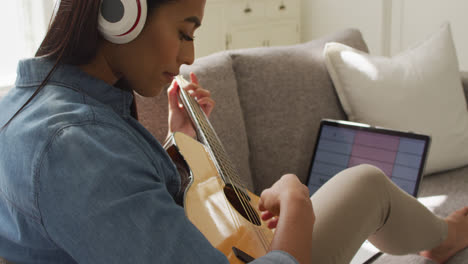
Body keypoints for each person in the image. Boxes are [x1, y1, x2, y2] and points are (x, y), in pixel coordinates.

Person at [0, 0, 466, 263]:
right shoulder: (72, 147)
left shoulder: (30, 106)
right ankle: (439, 237)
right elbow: (100, 181)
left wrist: (177, 141)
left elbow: (125, 208)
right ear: (121, 13)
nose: (189, 56)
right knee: (366, 183)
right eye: (185, 31)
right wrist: (298, 206)